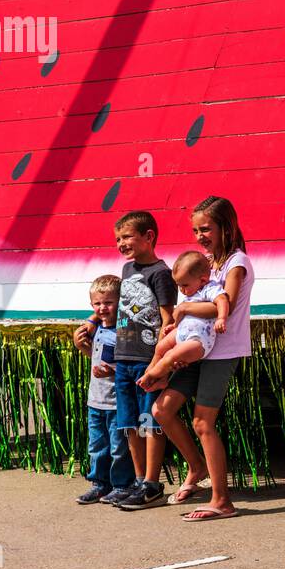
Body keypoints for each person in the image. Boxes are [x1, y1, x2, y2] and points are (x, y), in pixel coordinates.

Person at [151, 196, 254, 522]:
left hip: (221, 352)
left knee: (202, 422)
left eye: (206, 228)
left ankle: (221, 500)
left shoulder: (237, 263)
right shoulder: (205, 263)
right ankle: (196, 468)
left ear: (226, 226)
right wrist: (177, 322)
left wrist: (183, 309)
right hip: (196, 346)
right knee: (161, 410)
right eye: (196, 230)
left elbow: (225, 306)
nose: (200, 236)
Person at [78, 210, 176, 511]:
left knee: (149, 423)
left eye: (127, 237)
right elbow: (112, 301)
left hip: (146, 361)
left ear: (149, 237)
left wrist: (158, 362)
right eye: (118, 238)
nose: (121, 243)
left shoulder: (160, 273)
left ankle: (151, 482)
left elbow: (167, 319)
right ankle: (135, 479)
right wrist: (92, 321)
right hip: (123, 359)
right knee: (128, 424)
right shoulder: (126, 270)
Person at [72, 274, 136, 504]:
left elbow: (129, 364)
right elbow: (96, 358)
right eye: (97, 303)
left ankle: (122, 484)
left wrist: (113, 371)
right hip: (96, 401)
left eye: (108, 302)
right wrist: (82, 348)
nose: (102, 308)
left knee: (119, 448)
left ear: (120, 302)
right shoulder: (96, 329)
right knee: (97, 446)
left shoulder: (125, 330)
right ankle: (100, 484)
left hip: (117, 402)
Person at [138, 251, 229, 392]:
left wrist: (222, 318)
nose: (182, 290)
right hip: (182, 333)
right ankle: (157, 373)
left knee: (171, 355)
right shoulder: (191, 292)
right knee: (161, 347)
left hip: (198, 341)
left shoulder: (209, 289)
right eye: (178, 285)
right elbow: (184, 317)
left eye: (184, 285)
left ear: (203, 280)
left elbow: (222, 300)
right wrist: (175, 326)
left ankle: (153, 375)